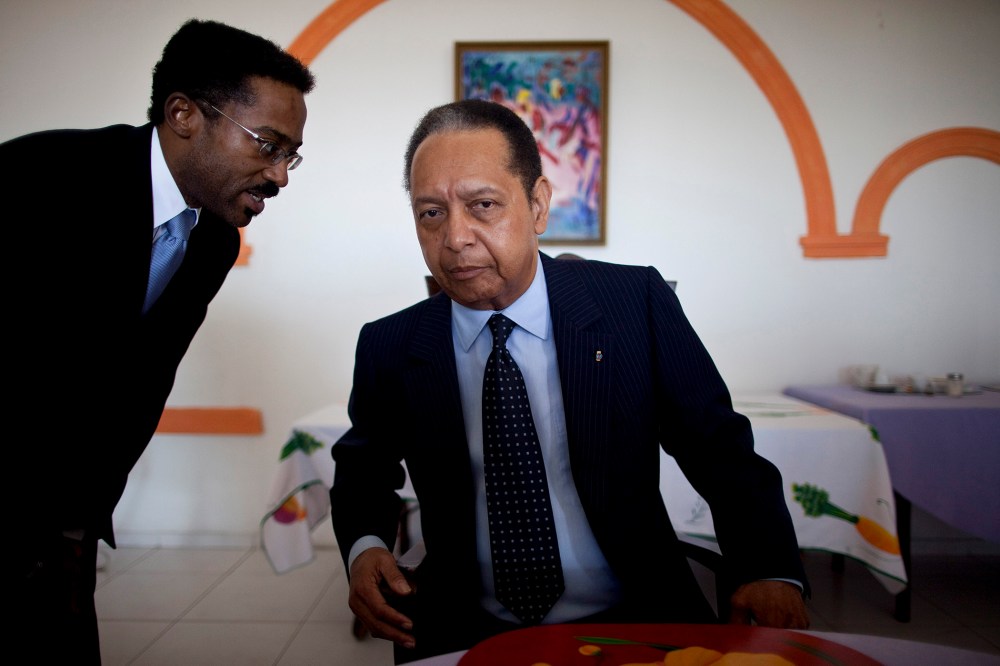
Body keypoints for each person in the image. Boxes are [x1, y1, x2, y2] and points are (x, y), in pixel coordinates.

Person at [330, 99, 809, 663]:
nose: (455, 238)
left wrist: (767, 568)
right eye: (431, 213)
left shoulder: (635, 305)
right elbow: (363, 471)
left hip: (638, 612)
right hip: (465, 624)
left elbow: (720, 450)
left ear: (537, 206)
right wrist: (364, 547)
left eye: (483, 205)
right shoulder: (391, 344)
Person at [5, 19, 315, 663]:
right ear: (183, 114)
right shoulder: (38, 178)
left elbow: (142, 378)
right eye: (267, 145)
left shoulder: (214, 240)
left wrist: (81, 513)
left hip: (68, 515)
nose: (280, 175)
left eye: (292, 154)